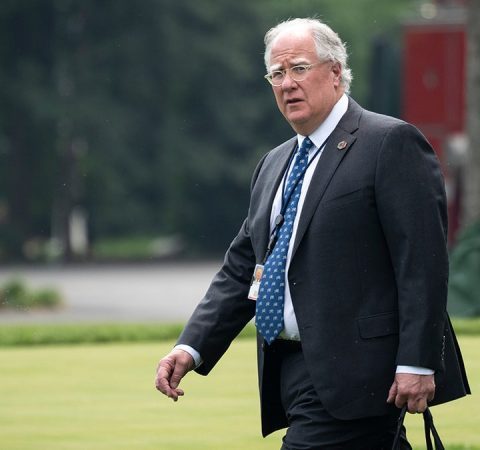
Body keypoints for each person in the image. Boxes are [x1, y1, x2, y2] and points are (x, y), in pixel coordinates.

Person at [155, 18, 470, 449]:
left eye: (299, 68)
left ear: (336, 72)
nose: (287, 84)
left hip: (364, 372)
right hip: (291, 371)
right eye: (277, 74)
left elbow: (422, 265)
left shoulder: (390, 143)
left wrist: (418, 362)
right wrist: (191, 347)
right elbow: (243, 269)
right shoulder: (274, 164)